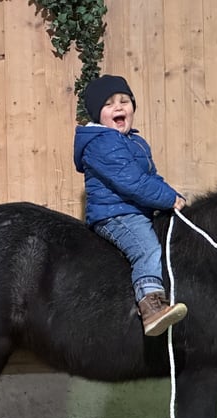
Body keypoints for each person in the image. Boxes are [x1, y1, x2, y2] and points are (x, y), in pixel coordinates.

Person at [73, 75, 188, 336]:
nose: (119, 107)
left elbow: (151, 179)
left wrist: (175, 197)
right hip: (116, 215)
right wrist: (168, 199)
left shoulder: (136, 142)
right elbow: (132, 183)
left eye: (124, 101)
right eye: (109, 104)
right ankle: (151, 307)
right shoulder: (101, 143)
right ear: (97, 114)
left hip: (135, 210)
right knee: (146, 249)